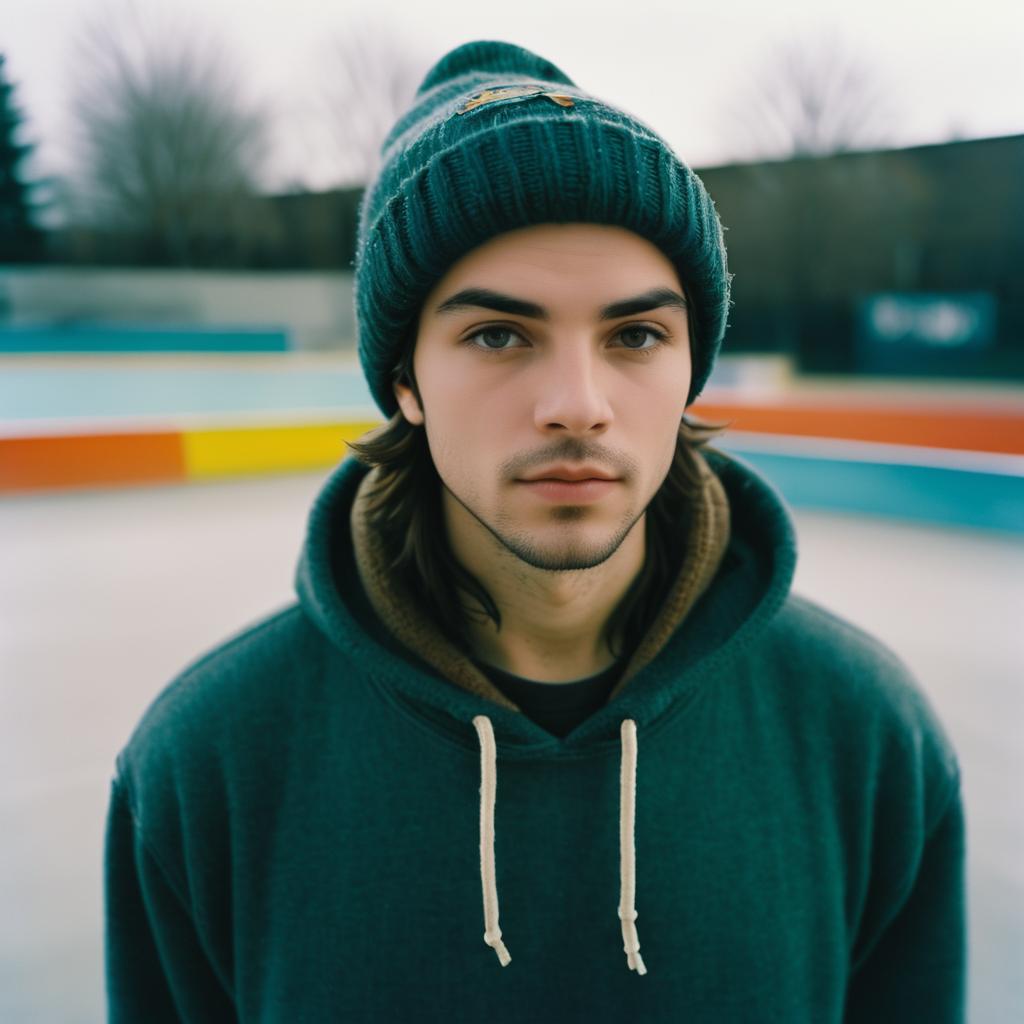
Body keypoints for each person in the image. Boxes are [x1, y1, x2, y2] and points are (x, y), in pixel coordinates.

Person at [104, 40, 966, 1022]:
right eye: (497, 335)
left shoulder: (863, 732)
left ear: (691, 369)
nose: (575, 405)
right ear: (403, 381)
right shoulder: (206, 763)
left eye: (635, 335)